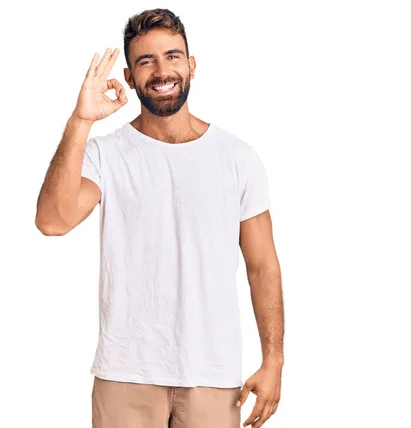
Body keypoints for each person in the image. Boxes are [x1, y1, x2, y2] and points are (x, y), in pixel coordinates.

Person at [35, 8, 284, 428]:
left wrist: (273, 359)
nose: (162, 70)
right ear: (130, 78)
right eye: (146, 61)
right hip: (125, 374)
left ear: (191, 65)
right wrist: (81, 121)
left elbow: (263, 268)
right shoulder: (106, 154)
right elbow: (53, 221)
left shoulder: (237, 158)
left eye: (172, 56)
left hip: (213, 374)